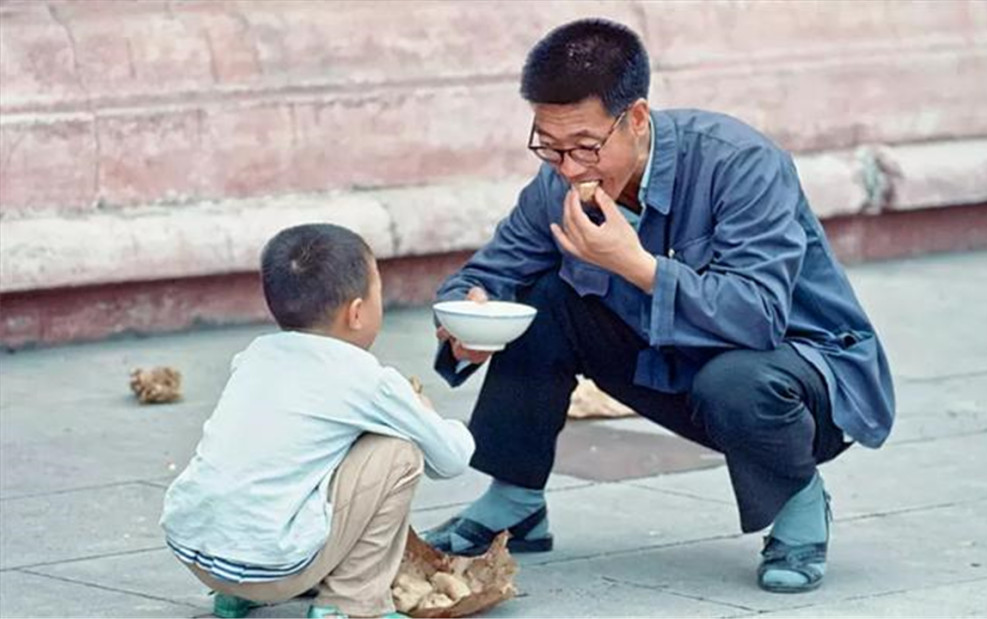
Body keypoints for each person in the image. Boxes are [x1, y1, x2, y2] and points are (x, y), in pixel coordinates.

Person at [423, 18, 894, 594]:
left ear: (637, 119)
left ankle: (799, 500)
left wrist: (635, 264)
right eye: (550, 145)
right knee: (541, 299)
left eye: (585, 146)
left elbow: (758, 313)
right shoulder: (558, 185)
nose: (570, 168)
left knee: (737, 380)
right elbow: (485, 274)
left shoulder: (739, 163)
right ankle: (516, 500)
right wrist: (465, 317)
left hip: (801, 378)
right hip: (669, 363)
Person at [160, 223, 475, 618]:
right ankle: (352, 605)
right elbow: (452, 460)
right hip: (270, 568)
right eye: (379, 291)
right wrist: (423, 410)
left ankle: (242, 595)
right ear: (357, 312)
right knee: (399, 452)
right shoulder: (368, 380)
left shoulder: (254, 356)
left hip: (197, 553)